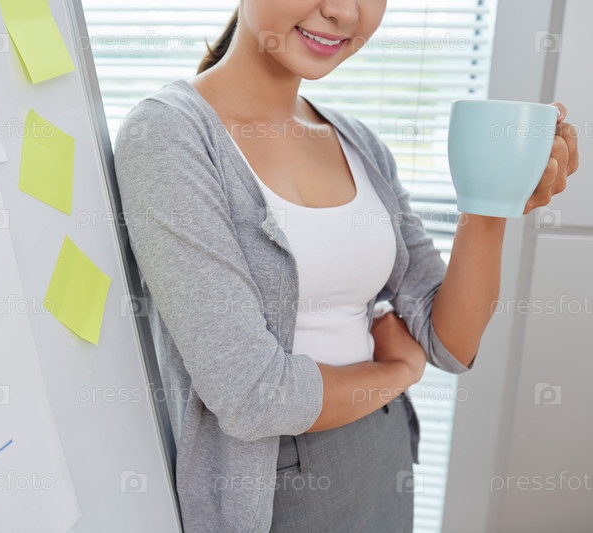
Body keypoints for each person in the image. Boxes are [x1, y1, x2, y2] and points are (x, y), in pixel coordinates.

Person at [113, 1, 579, 531]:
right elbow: (253, 397)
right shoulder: (167, 136)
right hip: (276, 490)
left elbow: (449, 341)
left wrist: (492, 201)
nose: (341, 11)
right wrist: (398, 372)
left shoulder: (359, 143)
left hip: (383, 456)